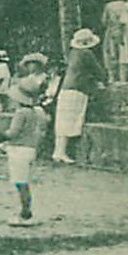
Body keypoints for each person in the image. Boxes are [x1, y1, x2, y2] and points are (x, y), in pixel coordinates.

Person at [0, 53, 52, 226]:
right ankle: (25, 211)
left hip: (19, 149)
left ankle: (25, 213)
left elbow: (13, 133)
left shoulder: (21, 113)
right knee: (24, 182)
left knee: (20, 183)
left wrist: (0, 135)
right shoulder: (36, 112)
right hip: (30, 149)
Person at [53, 27, 104, 163]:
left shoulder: (73, 53)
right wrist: (102, 79)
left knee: (62, 121)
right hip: (76, 89)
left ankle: (58, 151)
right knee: (70, 121)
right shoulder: (86, 53)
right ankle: (62, 152)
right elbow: (98, 71)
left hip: (65, 89)